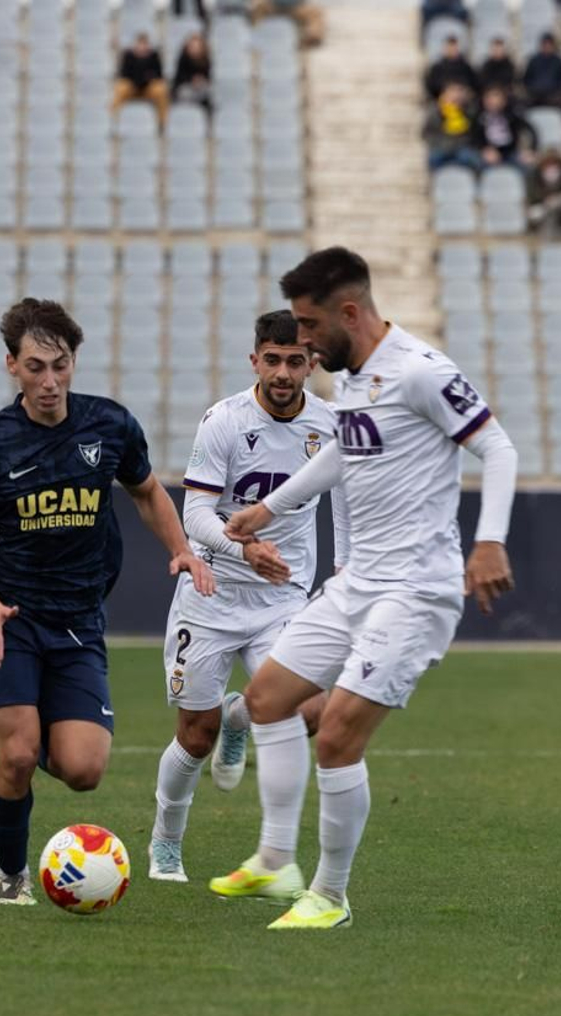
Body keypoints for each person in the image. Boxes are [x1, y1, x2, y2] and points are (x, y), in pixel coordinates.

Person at [208, 247, 518, 930]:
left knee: (339, 733)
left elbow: (498, 448)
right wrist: (270, 508)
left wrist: (489, 539)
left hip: (416, 590)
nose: (304, 343)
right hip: (361, 583)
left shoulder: (421, 372)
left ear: (350, 312)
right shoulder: (353, 379)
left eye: (311, 327)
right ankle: (275, 859)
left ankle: (331, 894)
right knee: (265, 698)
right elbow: (344, 456)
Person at [0, 298, 215, 906]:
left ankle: (34, 726)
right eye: (36, 367)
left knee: (84, 771)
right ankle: (11, 876)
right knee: (15, 757)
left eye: (60, 366)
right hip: (8, 618)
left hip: (79, 621)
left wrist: (181, 549)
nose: (50, 382)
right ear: (11, 366)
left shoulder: (109, 425)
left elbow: (147, 492)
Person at [147, 310, 347, 882]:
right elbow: (196, 516)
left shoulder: (331, 427)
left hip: (282, 601)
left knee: (311, 709)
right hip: (211, 595)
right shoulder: (225, 422)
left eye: (295, 361)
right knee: (195, 736)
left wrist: (343, 571)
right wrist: (245, 552)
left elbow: (347, 502)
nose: (283, 373)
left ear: (310, 363)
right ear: (254, 360)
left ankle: (245, 714)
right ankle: (167, 840)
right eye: (272, 360)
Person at [470, 86, 536, 172]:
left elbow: (528, 131)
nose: (492, 101)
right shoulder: (479, 118)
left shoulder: (512, 116)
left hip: (511, 152)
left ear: (504, 100)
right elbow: (473, 138)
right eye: (489, 97)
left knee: (526, 165)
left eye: (496, 97)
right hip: (488, 153)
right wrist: (483, 149)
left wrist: (529, 149)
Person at [112, 32, 169, 127]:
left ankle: (162, 123)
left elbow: (159, 76)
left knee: (161, 89)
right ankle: (114, 121)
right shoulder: (128, 56)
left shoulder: (154, 56)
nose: (142, 47)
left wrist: (144, 77)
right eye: (140, 44)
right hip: (132, 88)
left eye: (145, 44)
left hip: (148, 89)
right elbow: (124, 75)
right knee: (120, 87)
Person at [423, 83, 478, 171]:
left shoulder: (467, 110)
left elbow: (472, 132)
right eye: (452, 92)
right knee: (434, 158)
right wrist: (440, 144)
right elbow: (427, 133)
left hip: (461, 147)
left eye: (458, 92)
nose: (455, 96)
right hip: (441, 147)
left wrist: (463, 108)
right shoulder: (436, 112)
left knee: (471, 158)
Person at [526, 149, 561, 238]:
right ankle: (547, 245)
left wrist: (556, 197)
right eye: (549, 160)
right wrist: (545, 198)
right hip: (544, 205)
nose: (551, 163)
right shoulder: (535, 173)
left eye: (554, 161)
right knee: (546, 212)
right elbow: (533, 192)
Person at [522, 33, 561, 110]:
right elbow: (526, 79)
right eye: (545, 44)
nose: (547, 46)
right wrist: (532, 89)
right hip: (535, 94)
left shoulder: (558, 61)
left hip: (553, 95)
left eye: (549, 44)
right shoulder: (534, 60)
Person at [424, 35, 479, 101]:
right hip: (443, 103)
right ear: (445, 48)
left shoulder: (465, 67)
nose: (452, 49)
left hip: (463, 103)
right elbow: (431, 85)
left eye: (454, 46)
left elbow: (474, 84)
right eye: (450, 46)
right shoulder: (438, 67)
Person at [171, 32, 212, 112]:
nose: (195, 49)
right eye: (193, 46)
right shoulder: (183, 59)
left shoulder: (205, 60)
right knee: (185, 93)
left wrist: (201, 80)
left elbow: (208, 76)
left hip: (201, 88)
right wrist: (191, 80)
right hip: (185, 87)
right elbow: (178, 78)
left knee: (208, 91)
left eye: (197, 47)